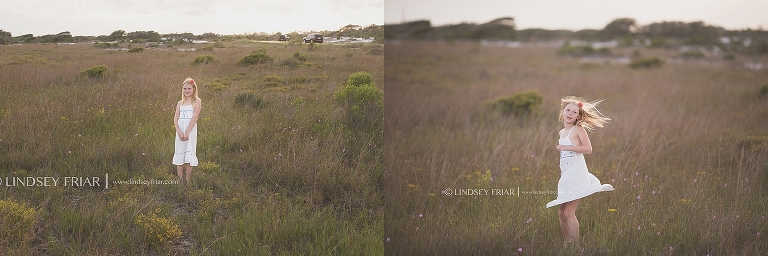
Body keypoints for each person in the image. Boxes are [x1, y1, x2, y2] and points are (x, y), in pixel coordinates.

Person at [546, 96, 614, 243]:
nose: (570, 113)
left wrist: (566, 147)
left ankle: (576, 247)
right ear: (563, 111)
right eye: (567, 110)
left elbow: (588, 149)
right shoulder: (562, 132)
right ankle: (567, 243)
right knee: (561, 213)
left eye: (574, 112)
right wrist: (563, 171)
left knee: (569, 212)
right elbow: (564, 158)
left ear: (578, 116)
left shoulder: (578, 129)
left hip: (577, 174)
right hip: (566, 175)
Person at [173, 77, 201, 184]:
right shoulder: (180, 103)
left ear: (193, 89)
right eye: (184, 88)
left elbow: (195, 117)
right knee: (179, 151)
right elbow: (175, 118)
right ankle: (180, 179)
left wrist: (187, 132)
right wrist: (179, 132)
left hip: (190, 130)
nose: (187, 91)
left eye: (189, 88)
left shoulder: (197, 101)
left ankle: (188, 178)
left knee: (189, 152)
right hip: (180, 130)